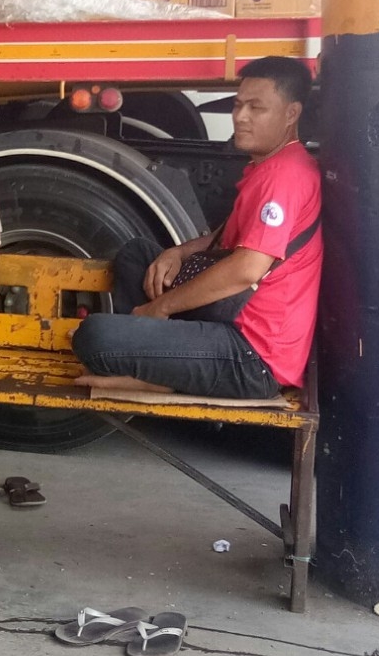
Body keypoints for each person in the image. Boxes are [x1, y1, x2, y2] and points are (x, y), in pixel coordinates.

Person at [73, 56, 321, 401]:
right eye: (237, 105)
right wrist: (178, 252)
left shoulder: (283, 177)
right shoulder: (269, 166)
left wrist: (161, 308)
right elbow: (225, 239)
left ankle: (153, 372)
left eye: (256, 108)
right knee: (138, 255)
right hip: (230, 317)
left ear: (291, 114)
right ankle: (153, 359)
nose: (241, 117)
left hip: (252, 356)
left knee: (94, 336)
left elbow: (246, 269)